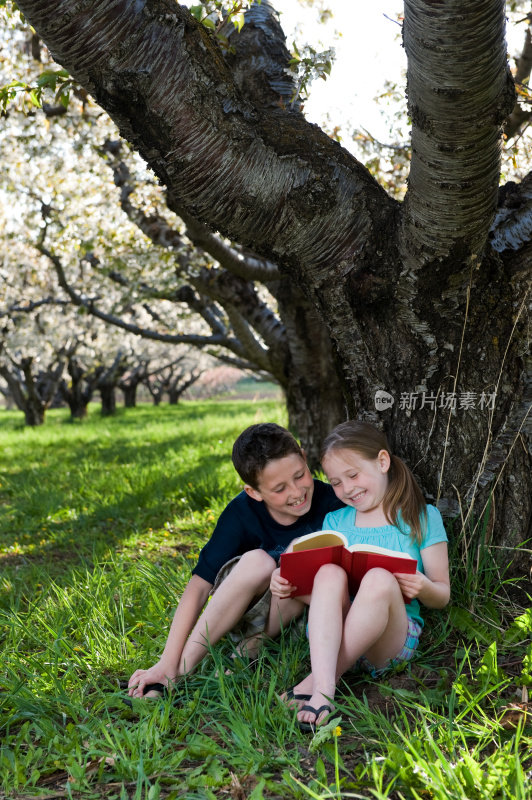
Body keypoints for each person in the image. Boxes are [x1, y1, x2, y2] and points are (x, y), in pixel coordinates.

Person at [128, 422, 343, 699]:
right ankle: (178, 669)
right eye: (279, 489)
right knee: (258, 561)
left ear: (303, 457)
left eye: (300, 476)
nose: (296, 492)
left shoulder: (334, 504)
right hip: (242, 612)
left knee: (302, 560)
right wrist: (167, 659)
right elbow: (199, 587)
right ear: (253, 492)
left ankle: (252, 647)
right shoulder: (241, 513)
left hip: (302, 622)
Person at [270, 420, 450, 729]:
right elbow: (317, 595)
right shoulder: (336, 521)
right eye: (336, 482)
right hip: (332, 636)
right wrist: (286, 583)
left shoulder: (421, 517)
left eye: (353, 475)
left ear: (382, 462)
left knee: (379, 578)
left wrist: (422, 586)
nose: (347, 488)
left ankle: (318, 685)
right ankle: (325, 690)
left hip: (389, 640)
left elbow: (443, 596)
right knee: (327, 571)